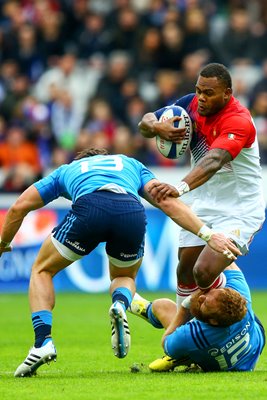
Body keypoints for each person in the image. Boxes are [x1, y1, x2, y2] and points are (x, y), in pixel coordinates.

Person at [0, 147, 240, 378]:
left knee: (42, 269)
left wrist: (3, 244)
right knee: (123, 277)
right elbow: (167, 202)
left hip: (90, 208)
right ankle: (120, 304)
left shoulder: (67, 170)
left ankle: (43, 342)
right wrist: (208, 234)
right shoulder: (130, 164)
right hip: (131, 211)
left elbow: (18, 208)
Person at [138, 62, 265, 307]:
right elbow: (144, 122)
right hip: (204, 204)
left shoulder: (238, 120)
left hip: (239, 211)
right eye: (198, 90)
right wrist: (157, 126)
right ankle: (183, 333)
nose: (201, 98)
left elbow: (214, 160)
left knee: (204, 271)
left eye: (208, 93)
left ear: (227, 93)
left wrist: (180, 187)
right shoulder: (190, 105)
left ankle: (242, 318)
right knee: (184, 273)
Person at [129, 263, 265, 372]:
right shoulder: (240, 294)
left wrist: (185, 306)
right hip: (255, 344)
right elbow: (227, 262)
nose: (201, 297)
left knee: (162, 306)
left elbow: (166, 342)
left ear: (213, 322)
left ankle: (183, 356)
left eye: (205, 303)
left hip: (215, 357)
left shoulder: (194, 334)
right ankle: (185, 355)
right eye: (212, 292)